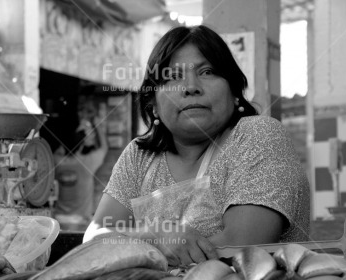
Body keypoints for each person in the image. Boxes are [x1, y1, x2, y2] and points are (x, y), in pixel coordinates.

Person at [83, 25, 310, 267]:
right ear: (154, 104)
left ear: (234, 91)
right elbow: (95, 240)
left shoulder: (257, 136)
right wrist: (155, 237)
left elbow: (242, 247)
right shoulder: (139, 157)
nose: (191, 86)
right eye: (173, 76)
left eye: (208, 71)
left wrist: (133, 245)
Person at [53, 116, 108, 231]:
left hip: (59, 219)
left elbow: (59, 150)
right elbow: (104, 148)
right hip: (81, 221)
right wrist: (97, 126)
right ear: (82, 145)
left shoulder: (57, 161)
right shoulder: (87, 162)